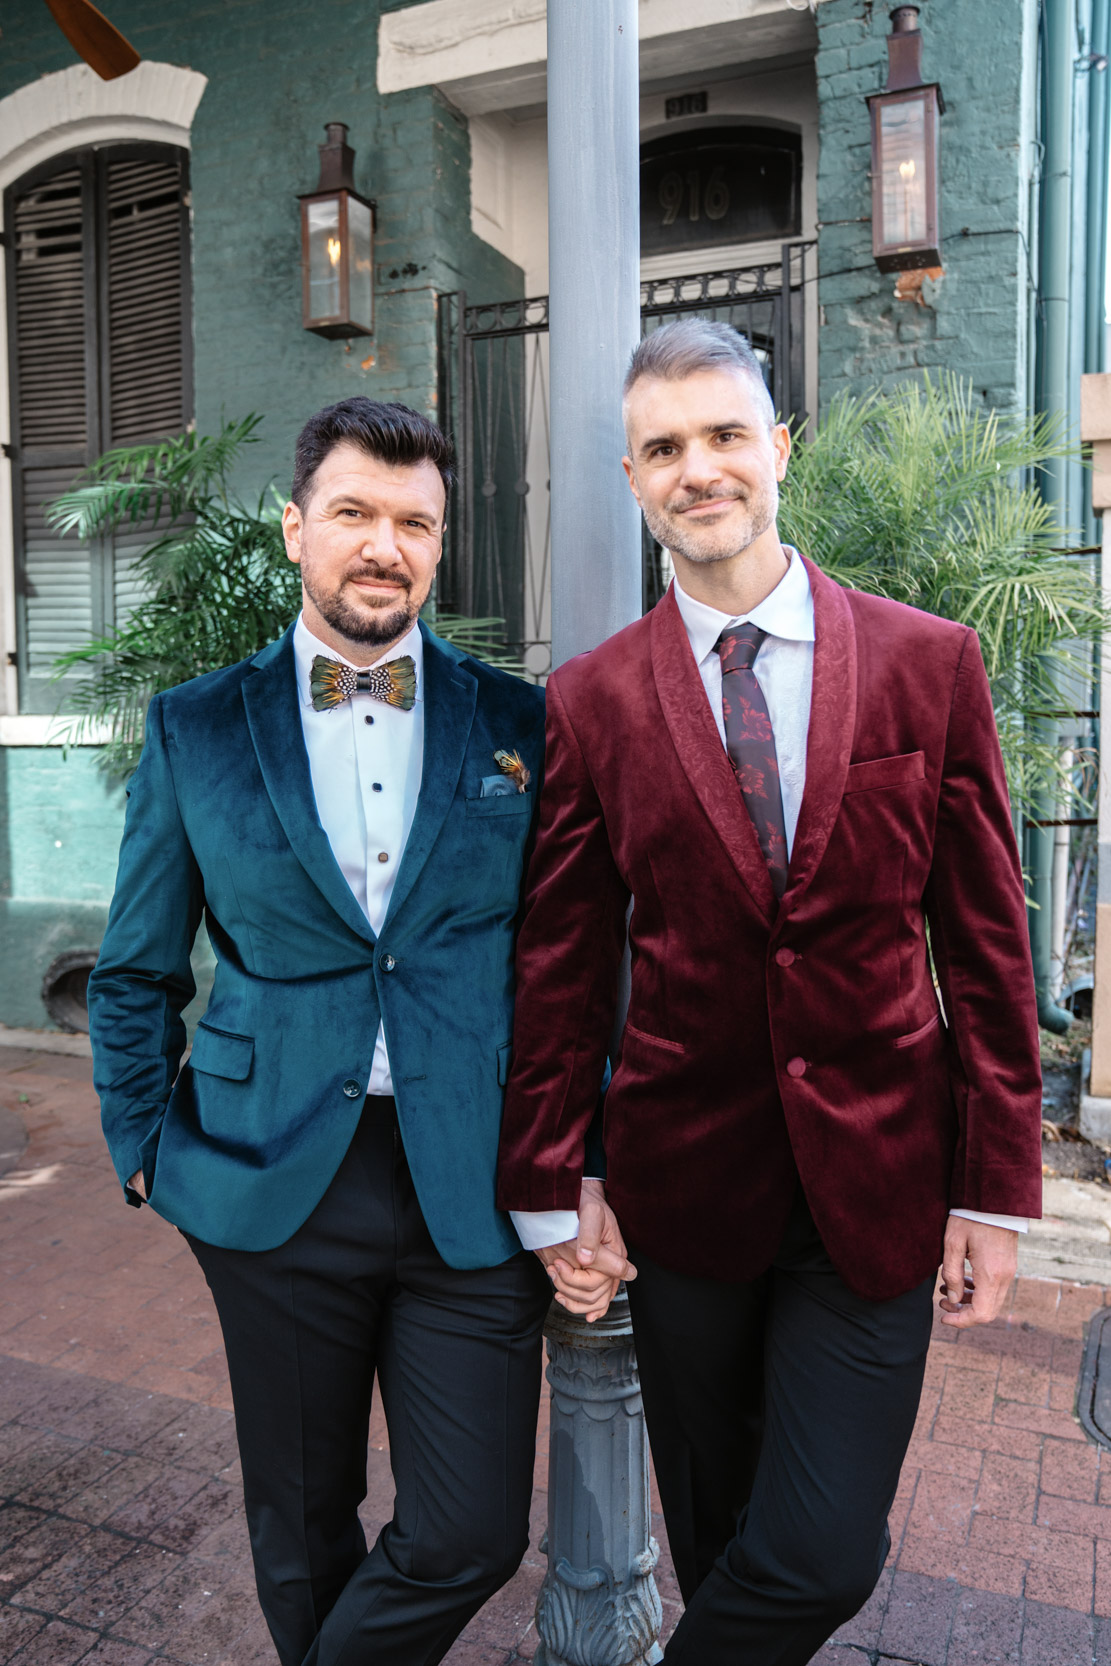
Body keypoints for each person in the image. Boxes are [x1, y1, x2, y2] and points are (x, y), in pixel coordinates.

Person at [496, 320, 1043, 1666]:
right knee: (719, 1542)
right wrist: (552, 1172)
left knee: (815, 1554)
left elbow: (982, 945)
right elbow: (563, 956)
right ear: (630, 477)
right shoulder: (592, 700)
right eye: (665, 447)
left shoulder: (927, 663)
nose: (700, 468)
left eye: (724, 434)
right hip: (684, 1191)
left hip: (875, 1183)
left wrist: (990, 1186)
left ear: (775, 447)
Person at [89, 397, 623, 1666]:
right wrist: (144, 1148)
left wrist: (589, 1155)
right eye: (355, 514)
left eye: (414, 523)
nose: (385, 545)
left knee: (471, 1531)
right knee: (301, 1520)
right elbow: (133, 973)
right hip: (267, 1178)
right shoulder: (196, 726)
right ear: (295, 529)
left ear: (439, 546)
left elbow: (581, 965)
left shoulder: (524, 725)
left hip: (476, 1181)